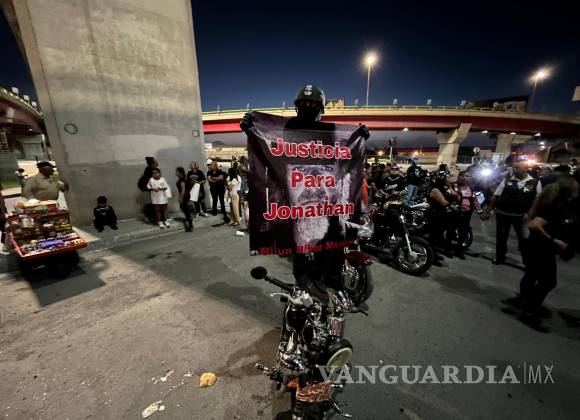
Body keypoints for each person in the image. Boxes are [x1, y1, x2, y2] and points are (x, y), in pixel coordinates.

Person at [240, 83, 370, 293]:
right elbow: (267, 154)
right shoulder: (285, 134)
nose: (313, 182)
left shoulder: (332, 138)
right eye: (300, 170)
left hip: (332, 249)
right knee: (303, 286)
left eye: (324, 171)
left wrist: (359, 138)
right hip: (299, 245)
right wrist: (252, 131)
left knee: (332, 276)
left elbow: (347, 161)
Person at [512, 175, 579, 332]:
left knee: (532, 275)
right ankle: (529, 311)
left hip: (541, 248)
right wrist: (554, 240)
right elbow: (534, 225)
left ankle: (527, 303)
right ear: (567, 191)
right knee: (548, 282)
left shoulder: (560, 205)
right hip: (540, 248)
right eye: (575, 190)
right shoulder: (554, 206)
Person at [483, 158, 542, 265]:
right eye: (514, 167)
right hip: (503, 214)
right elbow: (496, 196)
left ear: (525, 168)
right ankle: (500, 257)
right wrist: (487, 211)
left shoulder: (535, 182)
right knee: (501, 238)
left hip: (521, 216)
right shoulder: (507, 180)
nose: (514, 170)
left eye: (517, 168)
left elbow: (537, 201)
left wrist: (529, 215)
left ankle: (527, 262)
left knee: (524, 239)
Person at [428, 172, 460, 259]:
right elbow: (444, 202)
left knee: (440, 235)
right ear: (442, 179)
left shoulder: (445, 188)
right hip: (436, 215)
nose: (451, 179)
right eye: (448, 177)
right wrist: (453, 205)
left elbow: (456, 196)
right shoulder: (436, 190)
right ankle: (431, 256)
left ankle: (437, 252)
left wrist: (449, 187)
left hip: (444, 215)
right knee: (434, 236)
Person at [453, 171, 482, 259]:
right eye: (464, 176)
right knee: (451, 230)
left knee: (464, 231)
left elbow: (475, 200)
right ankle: (447, 248)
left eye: (468, 176)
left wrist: (480, 211)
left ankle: (458, 250)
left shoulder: (470, 187)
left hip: (467, 213)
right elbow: (454, 198)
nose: (466, 178)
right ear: (460, 177)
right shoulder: (455, 186)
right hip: (457, 212)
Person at [176, 167, 193, 232]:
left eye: (177, 172)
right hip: (185, 195)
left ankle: (190, 225)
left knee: (184, 208)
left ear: (180, 172)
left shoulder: (182, 180)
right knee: (184, 208)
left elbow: (183, 189)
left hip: (185, 195)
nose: (176, 173)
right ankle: (189, 218)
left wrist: (181, 198)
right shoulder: (181, 179)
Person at [237, 156, 250, 230]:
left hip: (245, 185)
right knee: (245, 204)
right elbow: (248, 172)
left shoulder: (243, 166)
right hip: (243, 185)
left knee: (246, 204)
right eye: (246, 160)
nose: (247, 161)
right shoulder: (241, 166)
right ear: (243, 161)